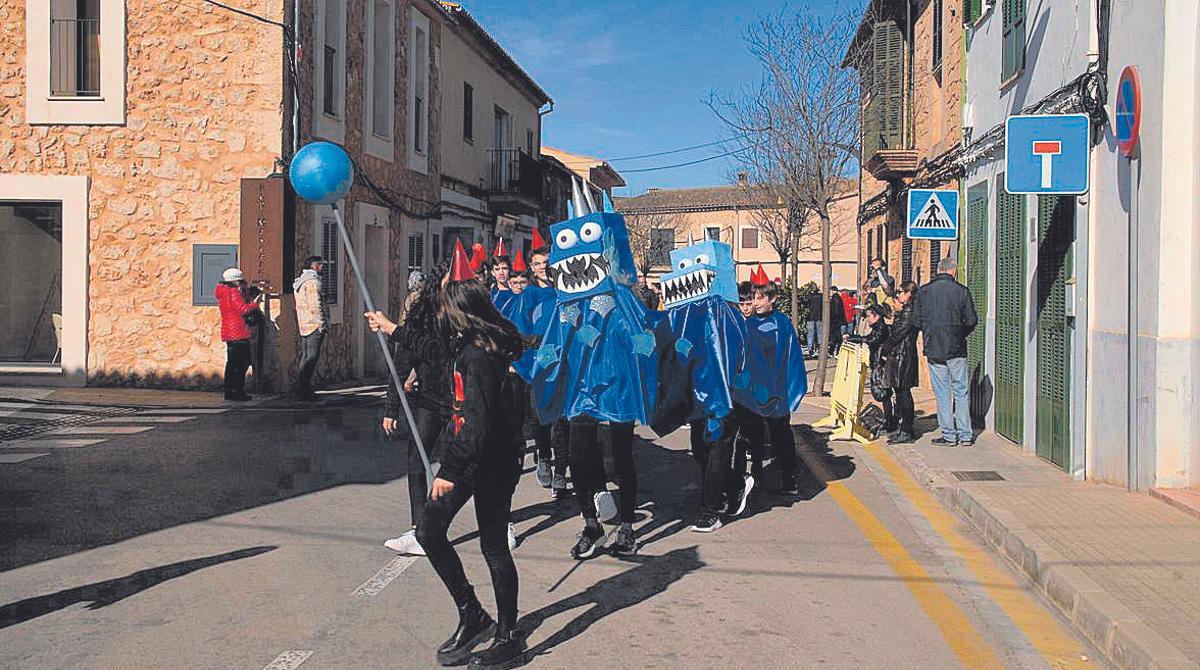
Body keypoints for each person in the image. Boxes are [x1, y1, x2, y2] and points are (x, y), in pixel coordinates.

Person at [408, 242, 528, 668]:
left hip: (489, 462)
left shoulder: (479, 355)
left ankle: (510, 633)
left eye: (443, 298)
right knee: (429, 531)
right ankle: (472, 614)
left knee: (494, 546)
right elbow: (427, 345)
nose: (437, 306)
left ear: (458, 308)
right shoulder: (466, 344)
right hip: (473, 457)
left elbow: (477, 424)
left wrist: (451, 471)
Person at [366, 261, 453, 557]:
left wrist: (393, 329)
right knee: (417, 460)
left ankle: (498, 521)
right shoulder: (421, 317)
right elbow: (403, 363)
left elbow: (443, 353)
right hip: (429, 399)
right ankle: (420, 528)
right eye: (450, 280)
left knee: (466, 467)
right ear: (438, 283)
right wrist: (392, 407)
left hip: (462, 403)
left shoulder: (468, 315)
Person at [733, 266, 808, 495]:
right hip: (750, 392)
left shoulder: (780, 324)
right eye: (753, 297)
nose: (755, 302)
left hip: (775, 392)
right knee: (750, 436)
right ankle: (752, 476)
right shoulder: (748, 322)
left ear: (773, 299)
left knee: (781, 436)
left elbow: (788, 356)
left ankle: (788, 477)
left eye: (760, 297)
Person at [914, 257, 978, 446]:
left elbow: (915, 321)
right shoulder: (962, 291)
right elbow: (971, 320)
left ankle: (949, 435)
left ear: (938, 270)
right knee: (961, 391)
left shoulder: (924, 292)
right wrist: (959, 333)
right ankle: (965, 435)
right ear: (953, 272)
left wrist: (928, 331)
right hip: (956, 347)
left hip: (934, 347)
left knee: (942, 393)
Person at [880, 281, 920, 443]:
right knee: (901, 393)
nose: (898, 296)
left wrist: (885, 349)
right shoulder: (907, 311)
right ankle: (904, 428)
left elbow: (898, 334)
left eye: (901, 293)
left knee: (904, 394)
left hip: (903, 356)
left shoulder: (909, 312)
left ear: (908, 294)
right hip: (901, 355)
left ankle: (907, 430)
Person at [215, 268, 262, 401]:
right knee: (241, 364)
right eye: (241, 281)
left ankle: (229, 390)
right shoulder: (233, 292)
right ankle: (238, 391)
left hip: (229, 332)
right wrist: (255, 303)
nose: (242, 284)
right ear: (236, 281)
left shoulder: (223, 292)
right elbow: (243, 309)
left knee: (231, 364)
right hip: (238, 332)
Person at [844, 304, 892, 432]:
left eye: (869, 316)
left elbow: (872, 340)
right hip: (878, 363)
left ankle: (890, 421)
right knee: (884, 394)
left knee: (883, 393)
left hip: (881, 364)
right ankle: (889, 420)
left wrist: (853, 338)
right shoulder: (878, 327)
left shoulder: (881, 328)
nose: (867, 319)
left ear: (876, 316)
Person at [292, 256, 327, 401]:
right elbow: (315, 305)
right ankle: (303, 390)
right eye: (321, 265)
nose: (323, 267)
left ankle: (302, 388)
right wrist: (321, 324)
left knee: (306, 357)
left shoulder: (301, 281)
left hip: (304, 323)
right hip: (313, 324)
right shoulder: (312, 282)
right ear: (315, 266)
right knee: (311, 357)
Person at [803, 288, 823, 357]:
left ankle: (810, 347)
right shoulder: (821, 297)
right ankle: (820, 347)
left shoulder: (809, 296)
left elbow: (804, 302)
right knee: (819, 333)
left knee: (810, 333)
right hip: (819, 316)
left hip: (810, 317)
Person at [827, 287, 846, 355]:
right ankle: (835, 350)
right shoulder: (838, 298)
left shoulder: (835, 298)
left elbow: (836, 310)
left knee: (835, 336)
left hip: (835, 320)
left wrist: (833, 318)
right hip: (838, 320)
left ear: (833, 291)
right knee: (836, 336)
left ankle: (834, 350)